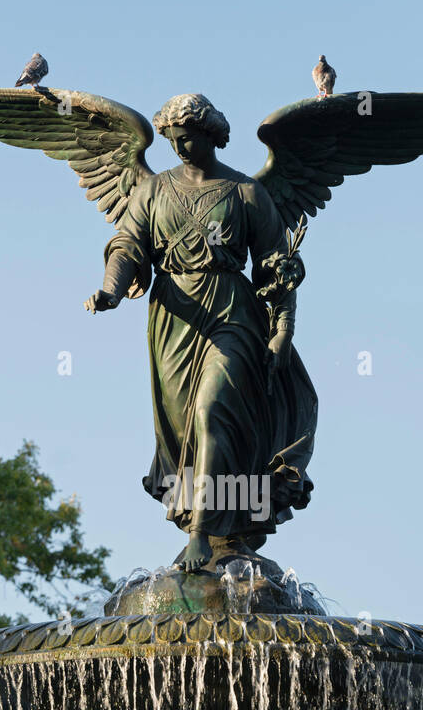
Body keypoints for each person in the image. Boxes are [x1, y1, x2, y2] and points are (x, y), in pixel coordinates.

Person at [85, 93, 317, 574]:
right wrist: (110, 289)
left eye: (187, 138)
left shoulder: (246, 192)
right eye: (172, 140)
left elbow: (276, 266)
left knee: (213, 411)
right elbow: (129, 242)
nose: (178, 148)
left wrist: (283, 331)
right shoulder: (152, 191)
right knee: (184, 428)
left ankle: (201, 535)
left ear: (211, 134)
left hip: (233, 312)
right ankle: (224, 530)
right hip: (174, 318)